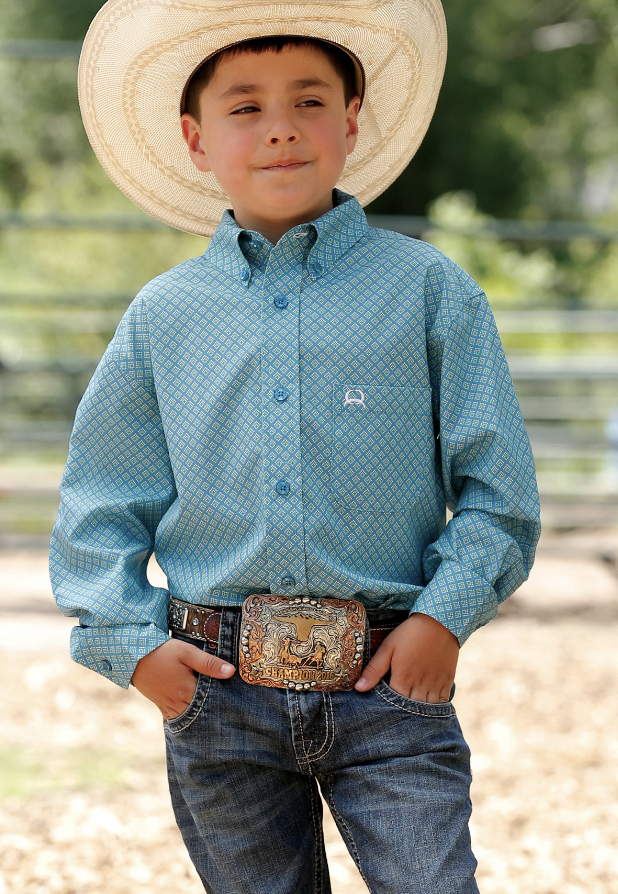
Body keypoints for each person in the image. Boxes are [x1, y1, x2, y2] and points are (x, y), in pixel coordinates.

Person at [50, 2, 541, 892]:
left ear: (351, 122)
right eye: (246, 107)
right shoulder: (163, 318)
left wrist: (445, 614)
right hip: (217, 690)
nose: (281, 129)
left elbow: (497, 488)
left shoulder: (431, 293)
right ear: (197, 140)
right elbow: (99, 502)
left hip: (392, 686)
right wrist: (133, 647)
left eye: (309, 102)